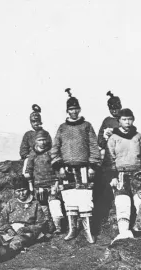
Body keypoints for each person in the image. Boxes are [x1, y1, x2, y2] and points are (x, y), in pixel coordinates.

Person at [51, 88, 101, 243]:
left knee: (85, 199)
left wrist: (93, 165)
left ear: (79, 110)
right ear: (67, 111)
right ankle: (73, 230)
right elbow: (55, 147)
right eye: (70, 109)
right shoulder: (62, 128)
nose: (73, 112)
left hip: (84, 168)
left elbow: (94, 145)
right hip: (66, 169)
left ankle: (88, 232)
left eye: (75, 109)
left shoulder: (86, 126)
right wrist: (58, 165)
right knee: (69, 198)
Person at [104, 108, 141, 242]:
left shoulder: (138, 137)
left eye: (130, 119)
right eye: (124, 119)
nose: (127, 122)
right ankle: (123, 233)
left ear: (133, 120)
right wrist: (112, 176)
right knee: (122, 203)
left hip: (138, 174)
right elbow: (109, 160)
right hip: (121, 175)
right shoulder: (113, 139)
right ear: (119, 121)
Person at [0, 175, 46, 264]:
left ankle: (4, 253)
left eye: (23, 190)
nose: (21, 193)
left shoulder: (35, 204)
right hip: (10, 229)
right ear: (15, 192)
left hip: (26, 231)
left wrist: (27, 228)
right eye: (18, 191)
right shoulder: (11, 203)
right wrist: (8, 229)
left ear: (28, 189)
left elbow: (41, 223)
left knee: (17, 241)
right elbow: (2, 221)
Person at [93, 91, 123, 235]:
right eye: (112, 109)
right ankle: (106, 216)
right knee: (107, 185)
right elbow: (99, 141)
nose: (114, 111)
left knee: (121, 186)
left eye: (116, 108)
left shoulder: (125, 119)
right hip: (109, 159)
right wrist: (105, 136)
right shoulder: (106, 121)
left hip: (122, 158)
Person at [25, 129, 64, 234]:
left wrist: (56, 184)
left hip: (52, 185)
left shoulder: (51, 152)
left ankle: (58, 227)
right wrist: (30, 185)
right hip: (39, 187)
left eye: (44, 140)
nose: (42, 142)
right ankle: (49, 226)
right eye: (39, 140)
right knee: (43, 208)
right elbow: (28, 170)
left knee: (55, 205)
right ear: (35, 141)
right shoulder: (32, 154)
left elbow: (57, 170)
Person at [19, 104, 52, 175]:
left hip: (44, 154)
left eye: (37, 121)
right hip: (31, 155)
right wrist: (26, 155)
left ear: (40, 122)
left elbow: (49, 145)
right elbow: (23, 147)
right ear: (30, 122)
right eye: (33, 122)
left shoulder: (45, 133)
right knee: (26, 166)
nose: (36, 123)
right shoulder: (28, 134)